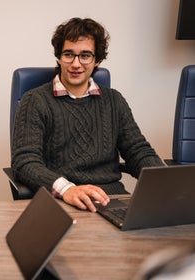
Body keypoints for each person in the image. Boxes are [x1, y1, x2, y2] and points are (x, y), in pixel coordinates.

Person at [11, 17, 163, 213]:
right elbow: (24, 162)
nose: (76, 64)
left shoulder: (114, 100)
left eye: (85, 55)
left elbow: (137, 150)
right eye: (68, 54)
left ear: (96, 60)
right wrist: (67, 189)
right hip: (59, 202)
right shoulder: (35, 100)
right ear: (58, 57)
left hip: (111, 199)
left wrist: (164, 181)